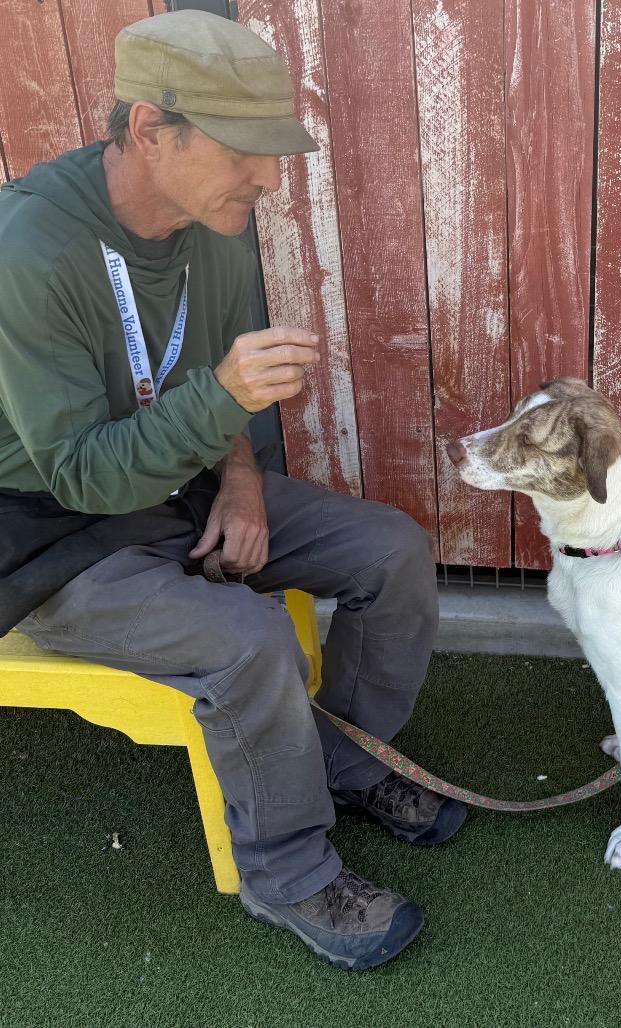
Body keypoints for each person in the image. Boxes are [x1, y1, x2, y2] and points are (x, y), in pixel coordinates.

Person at [0, 9, 465, 971]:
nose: (268, 178)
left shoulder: (210, 221)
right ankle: (288, 875)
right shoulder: (28, 253)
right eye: (245, 151)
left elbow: (217, 394)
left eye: (275, 151)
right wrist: (220, 404)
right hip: (52, 533)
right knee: (247, 642)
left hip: (183, 478)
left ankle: (346, 762)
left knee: (394, 552)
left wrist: (244, 482)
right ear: (147, 129)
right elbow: (84, 474)